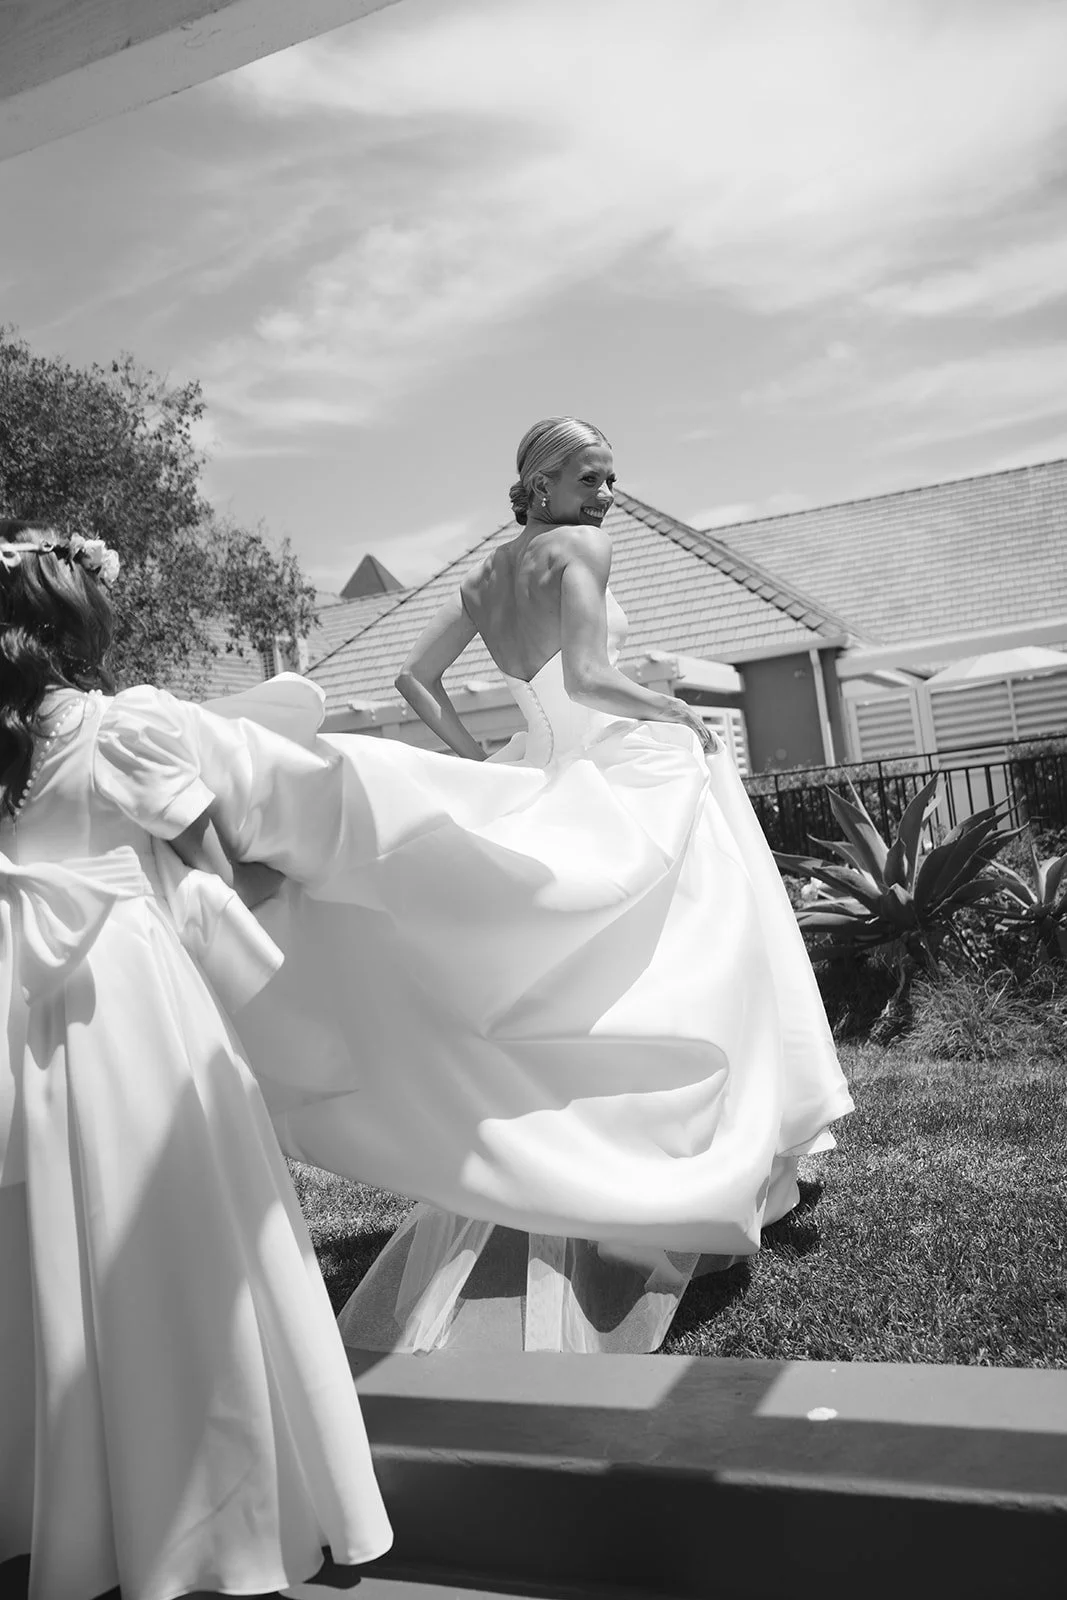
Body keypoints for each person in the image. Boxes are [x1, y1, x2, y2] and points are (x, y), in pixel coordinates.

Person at [220, 417, 856, 1355]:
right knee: (700, 960)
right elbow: (594, 679)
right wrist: (675, 711)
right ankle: (707, 1167)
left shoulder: (484, 575)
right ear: (544, 483)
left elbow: (412, 677)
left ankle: (628, 1166)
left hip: (546, 768)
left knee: (607, 982)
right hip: (622, 763)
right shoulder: (581, 550)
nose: (608, 496)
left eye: (611, 479)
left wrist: (483, 762)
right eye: (592, 478)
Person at [0, 520, 392, 1600]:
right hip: (124, 990)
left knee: (45, 1238)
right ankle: (216, 1505)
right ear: (87, 619)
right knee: (182, 1225)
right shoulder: (122, 728)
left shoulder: (6, 736)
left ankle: (59, 1507)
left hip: (19, 998)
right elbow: (216, 866)